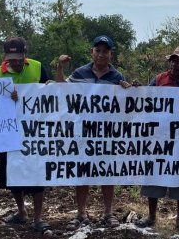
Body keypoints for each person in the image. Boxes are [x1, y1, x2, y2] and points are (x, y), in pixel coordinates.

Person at [56, 34, 133, 228]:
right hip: (83, 131)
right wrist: (60, 67)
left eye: (105, 51)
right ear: (92, 52)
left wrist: (129, 89)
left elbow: (126, 102)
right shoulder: (80, 73)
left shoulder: (117, 77)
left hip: (107, 132)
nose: (101, 54)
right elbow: (61, 89)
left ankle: (108, 212)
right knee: (83, 173)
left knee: (107, 173)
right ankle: (81, 213)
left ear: (111, 55)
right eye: (97, 50)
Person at [135, 46, 179, 232]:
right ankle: (151, 216)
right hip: (159, 138)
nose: (175, 64)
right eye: (173, 60)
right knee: (154, 174)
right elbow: (143, 101)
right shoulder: (159, 80)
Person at [0, 36, 51, 233]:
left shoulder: (37, 67)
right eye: (11, 57)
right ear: (5, 56)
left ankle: (38, 217)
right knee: (12, 173)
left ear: (25, 54)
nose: (16, 62)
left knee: (36, 173)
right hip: (8, 133)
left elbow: (49, 93)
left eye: (19, 57)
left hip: (34, 132)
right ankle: (21, 212)